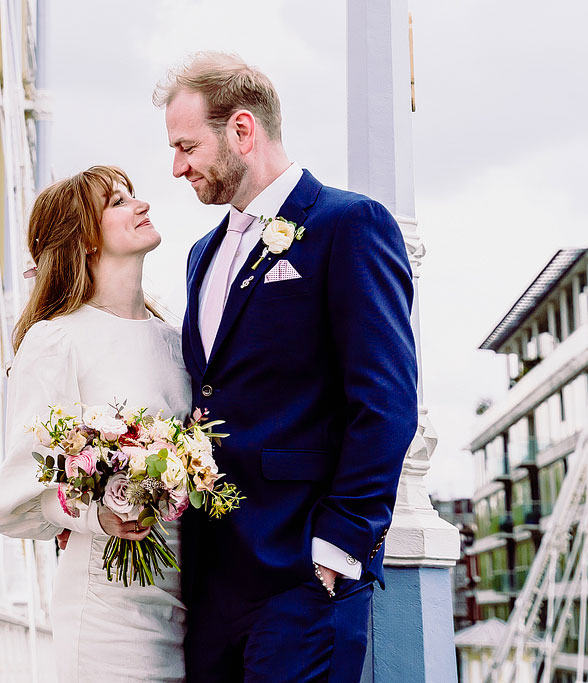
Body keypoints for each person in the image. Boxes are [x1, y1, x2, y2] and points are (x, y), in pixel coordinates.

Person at [157, 52, 418, 683]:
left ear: (242, 131)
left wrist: (342, 541)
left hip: (305, 573)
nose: (176, 168)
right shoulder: (201, 255)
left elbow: (385, 399)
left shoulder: (348, 224)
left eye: (187, 146)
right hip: (213, 579)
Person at [0, 166, 189, 683]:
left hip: (190, 595)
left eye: (133, 195)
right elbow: (16, 498)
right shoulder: (56, 342)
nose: (140, 206)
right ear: (85, 240)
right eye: (118, 202)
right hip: (109, 604)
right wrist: (100, 514)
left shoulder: (178, 342)